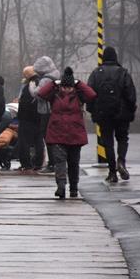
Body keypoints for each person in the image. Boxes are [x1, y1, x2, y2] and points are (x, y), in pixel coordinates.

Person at [38, 67, 97, 199]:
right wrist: (54, 83)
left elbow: (92, 94)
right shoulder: (54, 95)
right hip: (57, 134)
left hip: (75, 135)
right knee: (59, 162)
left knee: (73, 164)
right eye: (64, 87)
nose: (66, 89)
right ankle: (61, 186)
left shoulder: (79, 95)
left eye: (69, 87)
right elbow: (41, 93)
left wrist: (78, 83)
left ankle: (74, 188)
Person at [86, 46, 137, 183]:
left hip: (103, 114)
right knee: (122, 138)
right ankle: (121, 160)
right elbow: (130, 95)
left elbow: (89, 94)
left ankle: (112, 172)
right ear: (115, 57)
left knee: (107, 142)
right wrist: (131, 110)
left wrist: (92, 110)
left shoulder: (96, 73)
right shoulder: (123, 72)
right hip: (121, 113)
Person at [32, 56, 60, 172]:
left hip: (46, 111)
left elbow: (37, 93)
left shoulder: (45, 80)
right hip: (55, 110)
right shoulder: (57, 75)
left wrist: (32, 87)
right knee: (55, 137)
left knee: (47, 137)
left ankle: (52, 163)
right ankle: (57, 161)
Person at [17, 65, 44, 173]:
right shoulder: (40, 82)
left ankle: (26, 164)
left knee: (24, 142)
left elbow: (27, 100)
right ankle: (38, 163)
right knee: (38, 141)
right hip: (38, 117)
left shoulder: (31, 84)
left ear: (27, 75)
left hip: (27, 117)